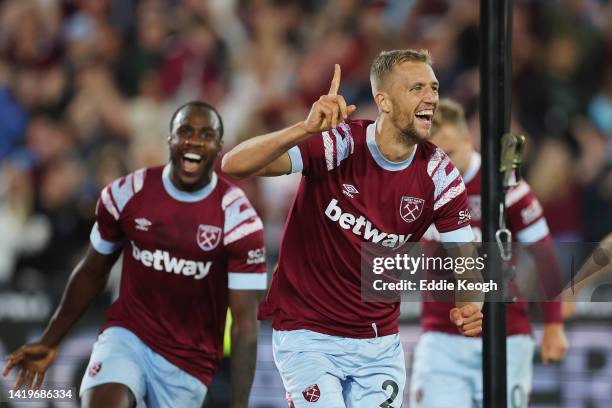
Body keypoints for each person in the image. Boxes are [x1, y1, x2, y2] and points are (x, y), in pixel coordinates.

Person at [222, 49, 483, 407]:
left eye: (434, 87)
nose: (431, 98)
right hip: (307, 332)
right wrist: (304, 129)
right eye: (417, 88)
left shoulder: (440, 176)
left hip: (378, 344)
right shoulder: (339, 144)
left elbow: (465, 262)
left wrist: (470, 303)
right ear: (384, 101)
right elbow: (234, 164)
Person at [2, 101, 267, 408]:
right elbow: (92, 271)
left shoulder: (239, 218)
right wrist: (50, 340)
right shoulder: (128, 193)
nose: (194, 141)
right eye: (185, 131)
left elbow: (246, 322)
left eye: (206, 134)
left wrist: (239, 405)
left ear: (219, 146)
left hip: (189, 362)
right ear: (170, 138)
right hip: (128, 337)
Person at [410, 99, 569, 408]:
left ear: (468, 141)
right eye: (434, 156)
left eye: (451, 153)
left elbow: (545, 253)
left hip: (506, 337)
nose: (445, 166)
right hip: (442, 337)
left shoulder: (504, 187)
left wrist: (553, 324)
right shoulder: (417, 185)